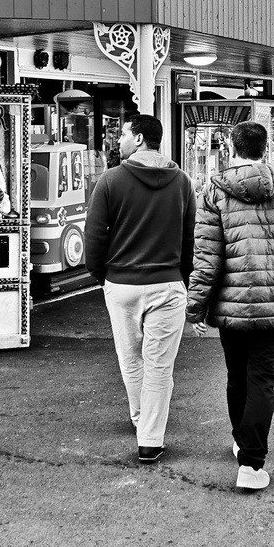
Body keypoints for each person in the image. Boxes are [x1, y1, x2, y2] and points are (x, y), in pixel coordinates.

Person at [186, 120, 274, 492]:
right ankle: (252, 464)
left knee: (236, 375)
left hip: (230, 304)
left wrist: (195, 309)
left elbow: (206, 258)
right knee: (262, 379)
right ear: (266, 148)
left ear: (231, 147)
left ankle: (243, 442)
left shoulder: (214, 192)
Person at [83, 114, 197, 465]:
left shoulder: (110, 180)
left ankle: (140, 419)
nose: (119, 140)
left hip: (121, 283)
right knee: (159, 366)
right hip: (168, 284)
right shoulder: (182, 182)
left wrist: (103, 275)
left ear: (140, 138)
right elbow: (190, 238)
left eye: (124, 134)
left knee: (131, 358)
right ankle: (150, 439)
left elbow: (94, 236)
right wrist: (183, 276)